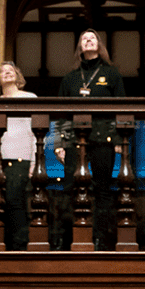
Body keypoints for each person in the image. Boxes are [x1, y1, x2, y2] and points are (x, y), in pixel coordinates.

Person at [55, 29, 125, 251]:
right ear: (79, 47)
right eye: (84, 38)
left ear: (99, 44)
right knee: (70, 188)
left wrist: (118, 140)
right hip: (75, 140)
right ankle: (69, 238)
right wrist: (60, 143)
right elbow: (62, 113)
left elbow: (121, 109)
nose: (88, 40)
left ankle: (101, 240)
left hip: (104, 139)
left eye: (92, 37)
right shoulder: (70, 78)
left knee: (103, 190)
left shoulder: (112, 74)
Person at [0, 61, 36, 250]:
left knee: (16, 203)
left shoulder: (30, 98)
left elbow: (36, 133)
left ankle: (19, 249)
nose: (7, 73)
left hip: (20, 157)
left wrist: (35, 160)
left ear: (18, 77)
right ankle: (1, 248)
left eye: (11, 70)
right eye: (3, 71)